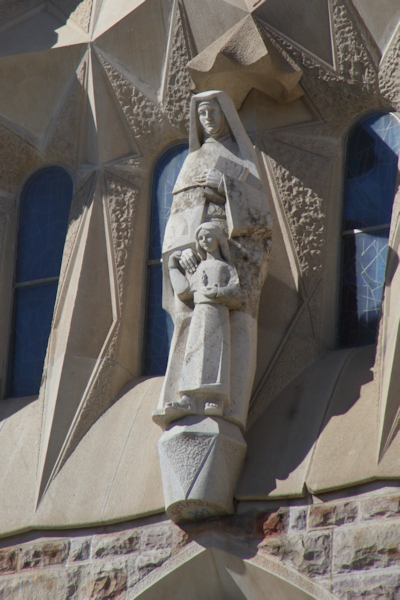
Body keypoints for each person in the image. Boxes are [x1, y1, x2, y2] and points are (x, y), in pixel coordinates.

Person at [153, 91, 271, 429]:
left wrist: (228, 187)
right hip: (197, 254)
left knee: (237, 324)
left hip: (236, 251)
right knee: (190, 323)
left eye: (213, 111)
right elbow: (179, 216)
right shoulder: (192, 161)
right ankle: (185, 396)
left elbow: (262, 218)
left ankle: (229, 406)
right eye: (201, 113)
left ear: (226, 115)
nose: (207, 118)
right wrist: (181, 251)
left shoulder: (241, 158)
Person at [166, 223, 241, 418]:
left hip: (218, 314)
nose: (204, 241)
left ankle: (214, 399)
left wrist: (217, 292)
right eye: (200, 239)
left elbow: (236, 292)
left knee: (216, 354)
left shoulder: (226, 267)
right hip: (199, 314)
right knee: (194, 353)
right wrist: (173, 266)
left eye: (208, 237)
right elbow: (183, 290)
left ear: (218, 239)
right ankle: (189, 399)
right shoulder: (198, 268)